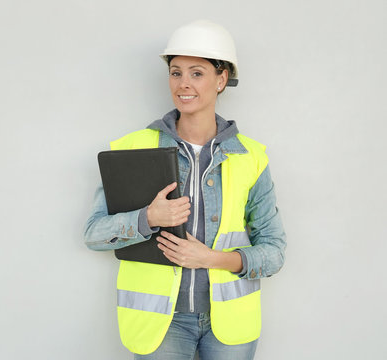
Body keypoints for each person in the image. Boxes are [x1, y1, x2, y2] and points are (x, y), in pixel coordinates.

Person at [84, 20, 286, 360]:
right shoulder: (132, 148)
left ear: (221, 79)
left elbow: (275, 251)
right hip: (161, 324)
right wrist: (148, 217)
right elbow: (94, 234)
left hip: (231, 325)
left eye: (197, 73)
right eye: (176, 73)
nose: (183, 84)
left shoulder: (251, 158)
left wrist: (212, 259)